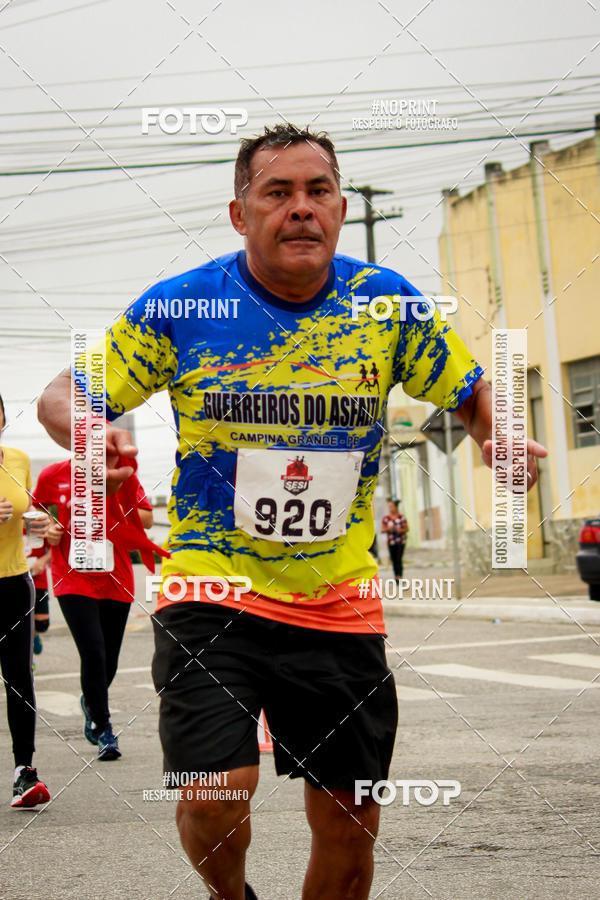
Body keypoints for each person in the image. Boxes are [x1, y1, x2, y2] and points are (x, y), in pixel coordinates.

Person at [38, 124, 546, 899]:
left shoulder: (386, 303)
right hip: (212, 587)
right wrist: (85, 428)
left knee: (349, 815)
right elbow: (63, 392)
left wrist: (499, 430)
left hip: (337, 600)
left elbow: (473, 391)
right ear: (240, 214)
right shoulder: (185, 305)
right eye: (277, 192)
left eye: (318, 191)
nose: (300, 208)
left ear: (340, 207)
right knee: (213, 791)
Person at [34, 459, 154, 761]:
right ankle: (103, 727)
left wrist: (110, 509)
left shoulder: (122, 473)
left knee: (109, 658)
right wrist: (49, 527)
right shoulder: (53, 474)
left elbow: (148, 518)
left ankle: (90, 702)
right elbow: (37, 512)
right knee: (94, 652)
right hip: (72, 576)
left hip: (116, 576)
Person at [0, 393, 51, 807]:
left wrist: (42, 525)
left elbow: (26, 512)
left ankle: (24, 772)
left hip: (14, 582)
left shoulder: (18, 459)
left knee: (19, 677)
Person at [381, 499, 409, 581]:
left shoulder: (401, 518)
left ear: (396, 507)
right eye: (389, 507)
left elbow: (406, 529)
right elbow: (382, 530)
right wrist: (388, 529)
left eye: (391, 506)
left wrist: (400, 530)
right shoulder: (386, 518)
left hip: (400, 542)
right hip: (391, 542)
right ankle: (396, 575)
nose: (390, 508)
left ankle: (400, 576)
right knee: (393, 559)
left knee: (398, 559)